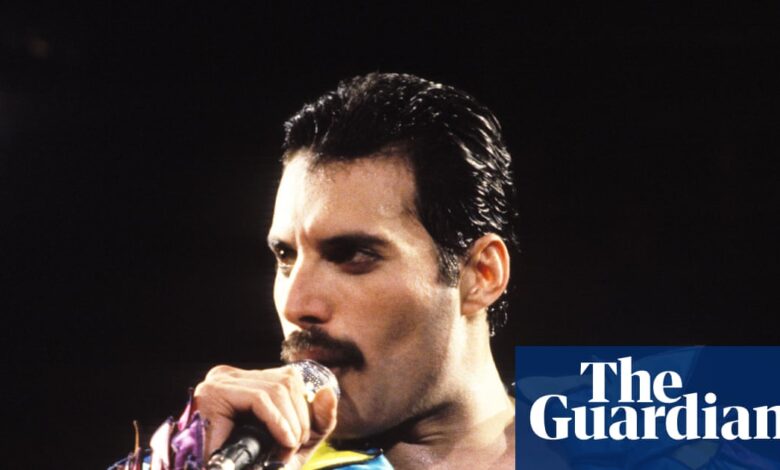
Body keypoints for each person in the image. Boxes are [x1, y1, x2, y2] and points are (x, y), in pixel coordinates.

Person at [113, 72, 519, 470]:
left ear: (481, 275)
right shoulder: (235, 458)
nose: (296, 305)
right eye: (286, 257)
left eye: (352, 256)